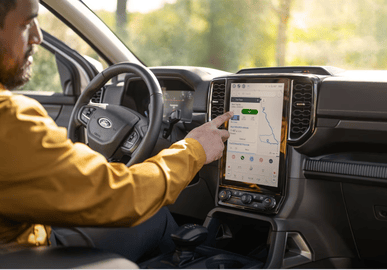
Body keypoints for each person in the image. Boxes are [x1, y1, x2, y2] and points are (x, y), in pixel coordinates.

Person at [0, 0, 232, 263]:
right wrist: (195, 149)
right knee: (157, 217)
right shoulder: (9, 117)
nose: (38, 37)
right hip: (21, 255)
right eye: (27, 23)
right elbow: (122, 196)